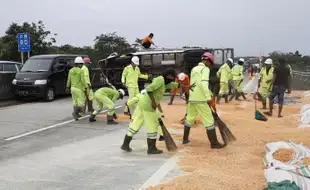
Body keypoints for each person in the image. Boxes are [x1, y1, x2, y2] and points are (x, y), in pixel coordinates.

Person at [120, 68, 191, 154]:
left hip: (143, 104)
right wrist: (154, 103)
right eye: (173, 77)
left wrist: (187, 87)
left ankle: (125, 144)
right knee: (153, 126)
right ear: (169, 76)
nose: (174, 79)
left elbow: (175, 85)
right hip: (148, 106)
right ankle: (151, 148)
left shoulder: (165, 82)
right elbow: (149, 89)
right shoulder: (160, 80)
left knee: (136, 124)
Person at [183, 52, 225, 149]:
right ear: (208, 61)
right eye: (210, 63)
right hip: (201, 99)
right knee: (209, 121)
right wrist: (208, 98)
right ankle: (214, 143)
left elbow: (195, 83)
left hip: (192, 98)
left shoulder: (194, 69)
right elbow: (203, 84)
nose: (210, 66)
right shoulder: (205, 69)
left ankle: (185, 139)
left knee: (189, 118)